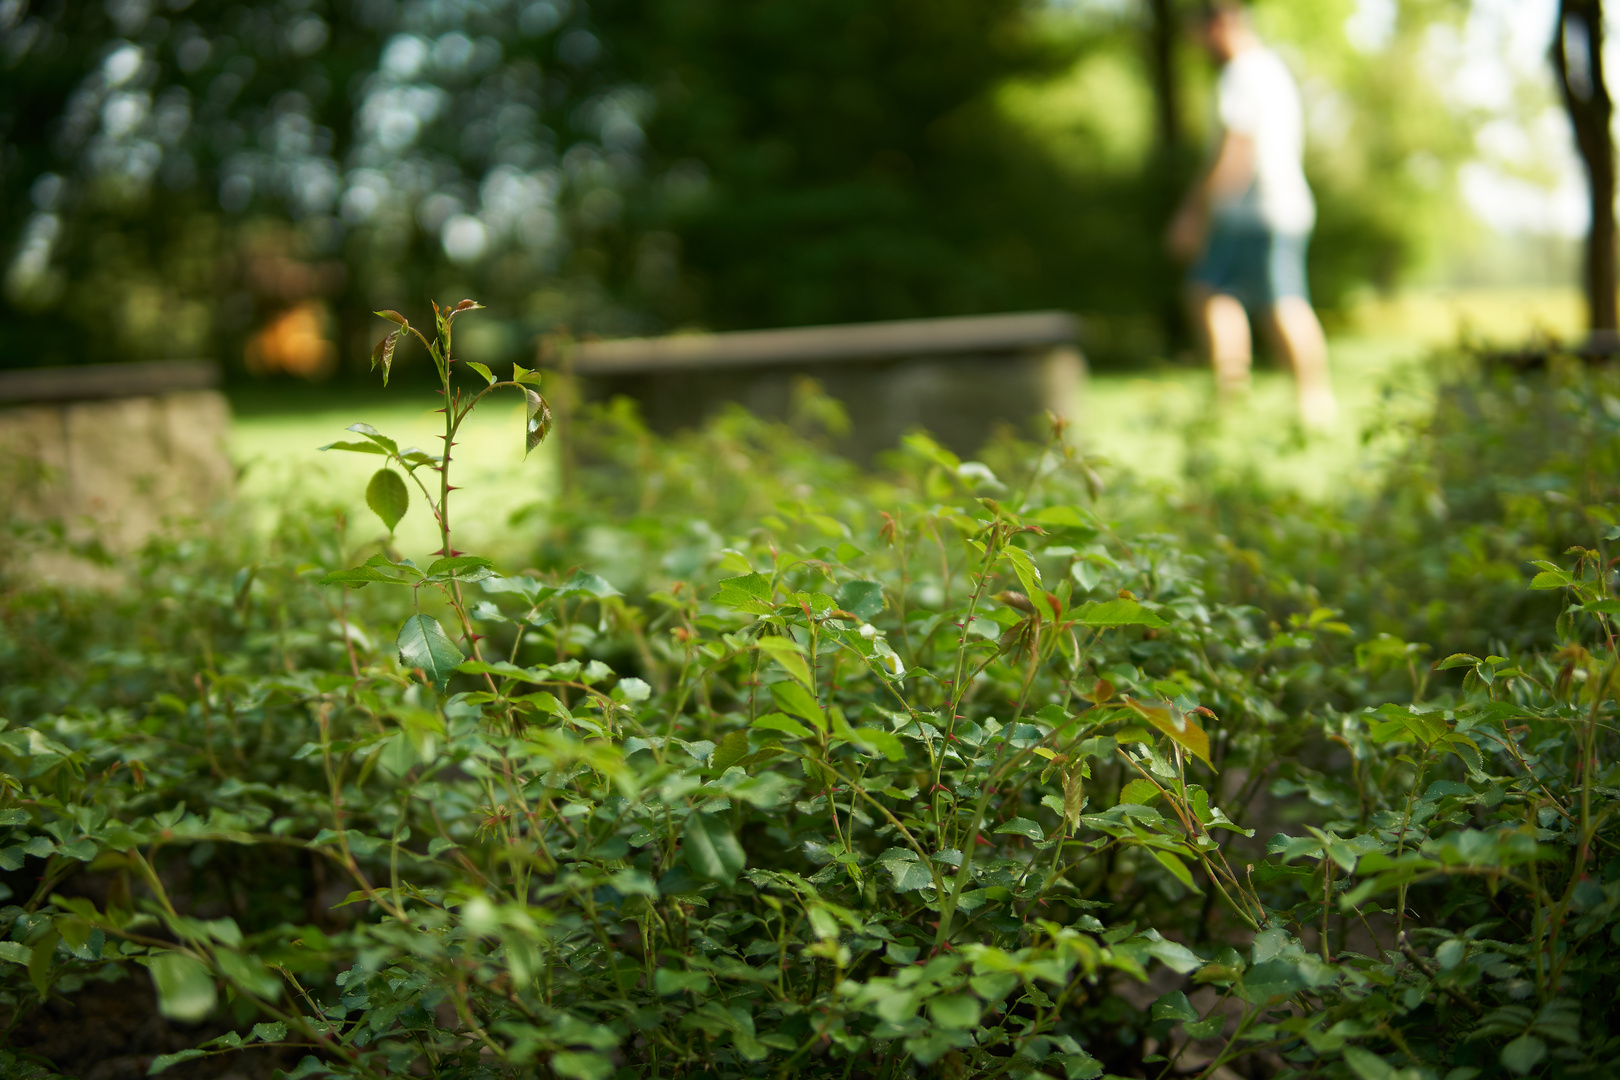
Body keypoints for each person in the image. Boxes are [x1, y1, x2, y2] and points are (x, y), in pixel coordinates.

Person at [1167, 0, 1338, 430]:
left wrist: (1199, 213)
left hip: (1254, 210)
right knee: (1216, 292)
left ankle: (1309, 403)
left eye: (1200, 34)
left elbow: (1237, 150)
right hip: (1273, 206)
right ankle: (1240, 398)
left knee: (1275, 301)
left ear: (1221, 22)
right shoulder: (1271, 69)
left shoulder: (1242, 72)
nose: (1199, 45)